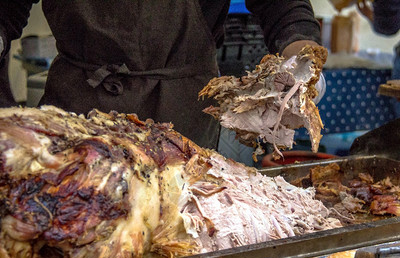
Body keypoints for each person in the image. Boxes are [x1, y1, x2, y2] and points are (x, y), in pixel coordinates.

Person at [0, 0, 323, 150]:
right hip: (79, 105)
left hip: (181, 111)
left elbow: (282, 6)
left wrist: (303, 57)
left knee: (181, 225)